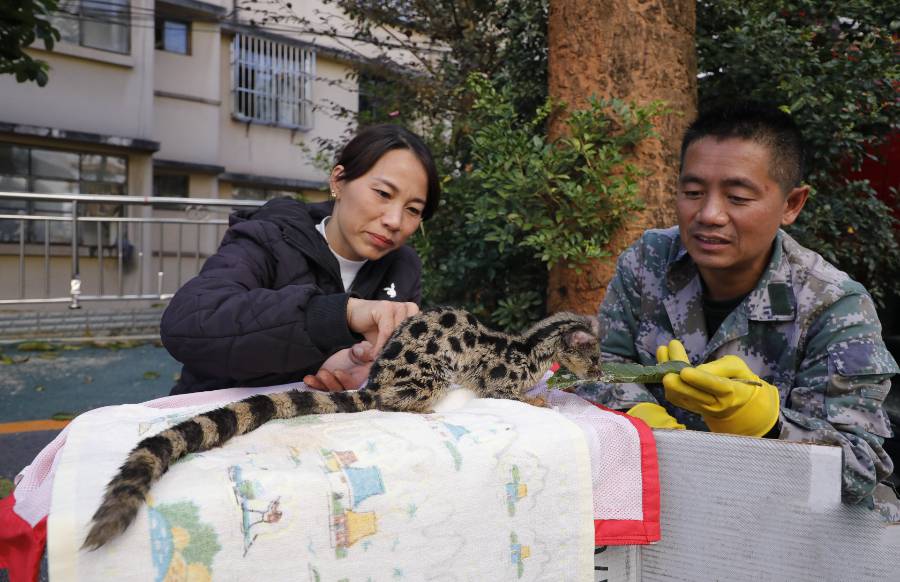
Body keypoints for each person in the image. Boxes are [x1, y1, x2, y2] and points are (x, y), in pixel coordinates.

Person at [577, 102, 898, 505]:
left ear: (792, 204)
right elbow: (596, 371)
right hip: (665, 503)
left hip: (775, 522)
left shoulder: (834, 307)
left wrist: (768, 426)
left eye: (738, 197)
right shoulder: (647, 263)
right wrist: (644, 423)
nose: (709, 214)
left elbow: (860, 466)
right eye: (693, 192)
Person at [161, 124, 441, 395]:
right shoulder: (271, 236)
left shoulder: (403, 266)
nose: (394, 221)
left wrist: (365, 369)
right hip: (215, 415)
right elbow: (189, 323)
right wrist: (339, 315)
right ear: (339, 181)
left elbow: (397, 361)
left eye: (413, 209)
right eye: (383, 193)